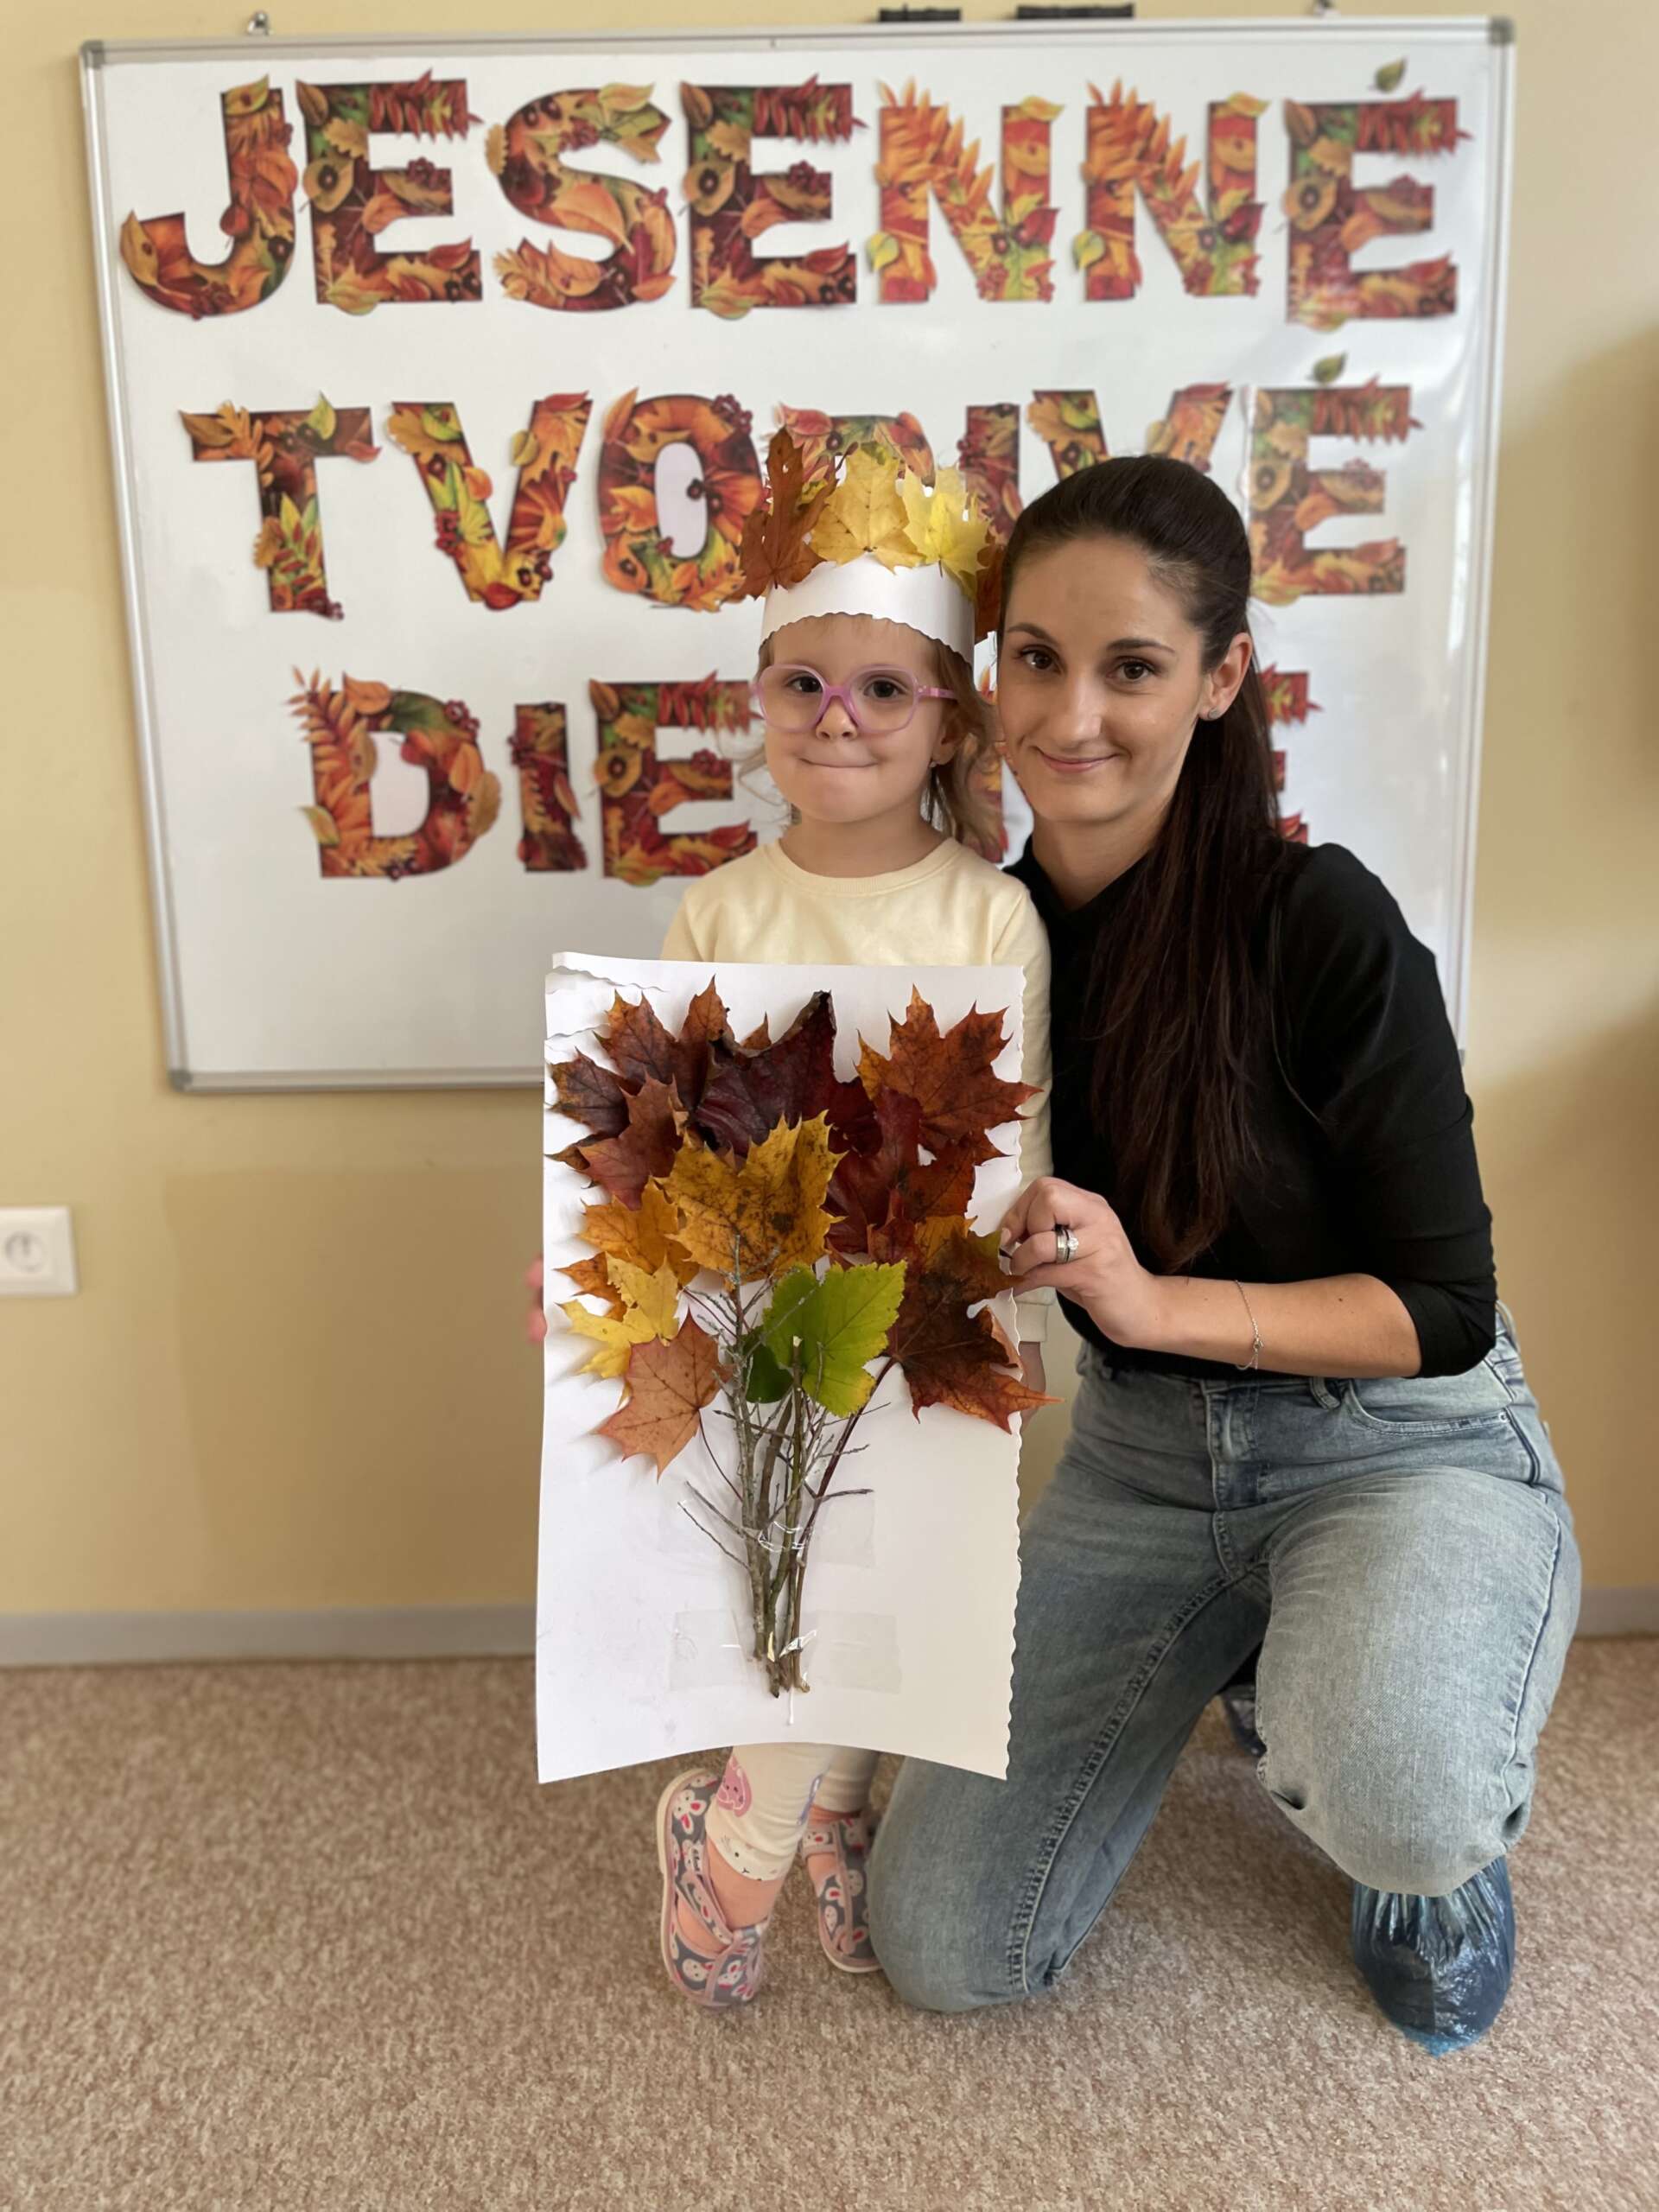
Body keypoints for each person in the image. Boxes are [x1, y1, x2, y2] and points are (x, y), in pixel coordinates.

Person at [865, 455, 1580, 2056]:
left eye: (1132, 667)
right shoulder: (977, 949)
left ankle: (1425, 1847)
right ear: (992, 672)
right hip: (1142, 1463)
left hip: (1399, 1442)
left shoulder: (1321, 921)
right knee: (944, 1945)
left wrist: (1148, 1299)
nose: (1072, 716)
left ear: (1221, 676)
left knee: (1397, 1787)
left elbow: (1444, 1310)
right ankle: (1278, 1648)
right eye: (1037, 658)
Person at [551, 435, 1054, 2007]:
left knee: (905, 1575)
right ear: (760, 703)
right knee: (797, 1567)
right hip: (762, 1302)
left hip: (936, 1306)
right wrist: (600, 1257)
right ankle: (739, 1843)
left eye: (883, 689)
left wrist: (1014, 1299)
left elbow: (1018, 1136)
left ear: (949, 717)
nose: (839, 717)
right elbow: (663, 1119)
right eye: (804, 685)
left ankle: (823, 1804)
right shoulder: (722, 907)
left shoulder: (990, 912)